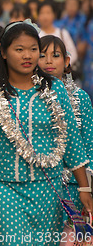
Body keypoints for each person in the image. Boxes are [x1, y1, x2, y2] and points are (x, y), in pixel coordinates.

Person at [0, 21, 93, 246]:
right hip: (5, 189)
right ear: (5, 53)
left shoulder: (55, 89)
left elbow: (72, 143)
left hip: (50, 189)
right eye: (19, 49)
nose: (27, 55)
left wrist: (85, 188)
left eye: (32, 49)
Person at [38, 35, 93, 212]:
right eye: (42, 55)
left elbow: (88, 144)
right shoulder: (29, 98)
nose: (48, 61)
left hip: (74, 184)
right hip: (42, 182)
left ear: (66, 60)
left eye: (55, 55)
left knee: (70, 238)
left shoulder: (80, 98)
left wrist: (87, 187)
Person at [37, 0, 78, 65]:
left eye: (48, 13)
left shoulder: (63, 33)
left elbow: (73, 54)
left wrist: (62, 65)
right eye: (42, 13)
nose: (45, 16)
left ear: (54, 15)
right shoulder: (35, 34)